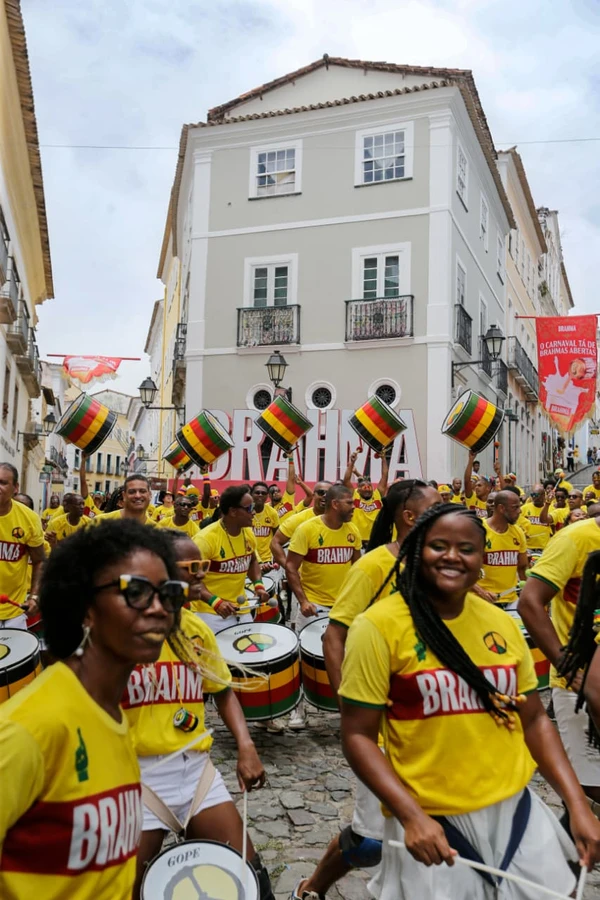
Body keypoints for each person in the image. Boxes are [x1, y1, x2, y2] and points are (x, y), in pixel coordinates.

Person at [338, 504, 600, 900]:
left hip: (515, 810)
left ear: (481, 560)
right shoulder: (377, 627)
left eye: (466, 549)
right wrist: (410, 817)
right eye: (438, 545)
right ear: (415, 551)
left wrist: (578, 805)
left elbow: (533, 721)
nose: (452, 556)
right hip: (433, 819)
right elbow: (357, 735)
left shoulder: (499, 623)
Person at [0, 520, 188, 899]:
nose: (158, 609)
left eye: (168, 593)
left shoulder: (113, 715)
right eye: (135, 592)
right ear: (85, 608)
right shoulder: (32, 727)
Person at [292, 481, 442, 900]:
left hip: (434, 717)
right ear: (409, 517)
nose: (446, 510)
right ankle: (310, 889)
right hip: (383, 715)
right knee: (368, 843)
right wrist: (348, 705)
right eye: (436, 505)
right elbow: (333, 636)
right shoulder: (374, 566)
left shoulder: (442, 564)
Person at [126, 533, 274, 900]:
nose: (201, 575)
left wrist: (246, 746)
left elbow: (222, 691)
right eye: (192, 568)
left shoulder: (196, 629)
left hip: (195, 771)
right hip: (135, 779)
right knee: (124, 890)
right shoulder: (123, 632)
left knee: (250, 877)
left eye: (203, 566)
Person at [519, 515, 600, 826]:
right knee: (587, 791)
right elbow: (530, 601)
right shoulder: (574, 539)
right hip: (577, 688)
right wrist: (568, 669)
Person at [285, 485, 361, 730]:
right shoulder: (307, 529)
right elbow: (291, 567)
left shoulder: (353, 531)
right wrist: (304, 600)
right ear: (335, 504)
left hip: (344, 608)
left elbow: (359, 569)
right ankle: (299, 710)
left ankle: (348, 709)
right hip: (313, 606)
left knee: (349, 659)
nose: (354, 507)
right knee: (302, 658)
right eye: (349, 502)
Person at [192, 485, 269, 635]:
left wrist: (258, 585)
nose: (253, 512)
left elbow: (252, 560)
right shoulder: (205, 539)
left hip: (241, 609)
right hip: (210, 612)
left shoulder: (248, 533)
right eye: (248, 508)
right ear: (233, 511)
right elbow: (191, 577)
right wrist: (215, 601)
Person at [0, 463, 45, 630]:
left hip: (15, 611)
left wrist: (34, 596)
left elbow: (39, 561)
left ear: (15, 487)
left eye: (3, 482)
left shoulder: (29, 519)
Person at [474, 491, 527, 605]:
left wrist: (527, 594)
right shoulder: (478, 530)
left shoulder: (518, 532)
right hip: (481, 600)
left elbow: (522, 568)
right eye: (515, 507)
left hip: (511, 600)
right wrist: (481, 592)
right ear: (501, 508)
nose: (520, 511)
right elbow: (463, 570)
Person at [270, 481, 332, 568]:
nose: (325, 496)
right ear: (314, 495)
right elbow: (275, 543)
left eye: (329, 493)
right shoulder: (298, 519)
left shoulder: (340, 521)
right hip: (304, 579)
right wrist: (289, 568)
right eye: (321, 492)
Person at [343, 451, 389, 547]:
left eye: (369, 487)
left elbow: (385, 476)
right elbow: (346, 480)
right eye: (364, 487)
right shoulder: (354, 494)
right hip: (357, 541)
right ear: (358, 489)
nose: (367, 489)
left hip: (375, 541)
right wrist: (352, 462)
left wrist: (383, 458)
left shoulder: (377, 495)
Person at [268, 455, 313, 521]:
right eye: (273, 491)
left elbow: (291, 478)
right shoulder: (267, 507)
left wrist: (291, 459)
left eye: (278, 490)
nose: (276, 492)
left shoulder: (287, 499)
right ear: (269, 495)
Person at [250, 481, 280, 568]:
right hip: (249, 559)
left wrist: (276, 557)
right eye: (257, 492)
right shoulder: (246, 513)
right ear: (251, 494)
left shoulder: (272, 513)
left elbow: (277, 537)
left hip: (268, 560)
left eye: (263, 493)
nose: (260, 495)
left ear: (267, 496)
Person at [520, 483, 553, 552]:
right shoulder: (523, 509)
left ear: (544, 496)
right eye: (532, 495)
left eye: (537, 495)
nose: (534, 497)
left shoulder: (550, 509)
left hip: (544, 548)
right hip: (528, 548)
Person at [463, 451, 491, 518]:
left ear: (488, 488)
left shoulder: (492, 503)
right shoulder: (472, 497)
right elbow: (467, 481)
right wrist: (470, 460)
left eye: (479, 485)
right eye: (476, 485)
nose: (476, 487)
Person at [79, 454, 103, 519]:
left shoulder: (103, 514)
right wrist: (83, 461)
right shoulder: (88, 501)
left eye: (100, 494)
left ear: (103, 500)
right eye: (96, 493)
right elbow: (83, 481)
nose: (98, 495)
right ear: (92, 497)